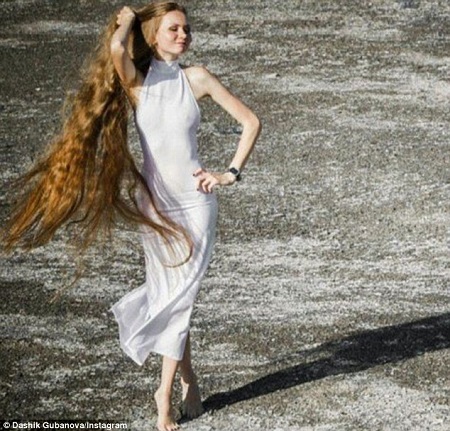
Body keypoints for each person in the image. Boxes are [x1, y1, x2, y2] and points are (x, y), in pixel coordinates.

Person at [2, 2, 260, 430]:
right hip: (155, 205)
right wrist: (125, 22)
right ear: (154, 35)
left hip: (197, 203)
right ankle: (189, 380)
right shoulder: (137, 83)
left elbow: (251, 122)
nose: (184, 35)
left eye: (187, 29)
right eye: (174, 29)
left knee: (182, 296)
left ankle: (163, 395)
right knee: (172, 296)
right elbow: (117, 49)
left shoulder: (197, 78)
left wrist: (228, 174)